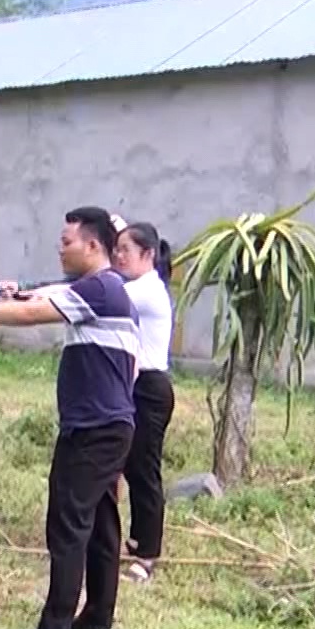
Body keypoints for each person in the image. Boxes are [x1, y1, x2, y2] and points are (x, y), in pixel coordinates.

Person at [0, 207, 138, 629]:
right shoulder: (104, 289)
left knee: (68, 525)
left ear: (93, 246)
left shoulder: (101, 288)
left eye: (67, 242)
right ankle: (96, 619)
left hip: (94, 428)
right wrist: (22, 292)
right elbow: (44, 298)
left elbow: (35, 315)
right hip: (109, 424)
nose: (61, 248)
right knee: (99, 523)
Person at [113, 221, 175, 582]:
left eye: (125, 250)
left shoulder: (147, 291)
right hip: (132, 385)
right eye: (115, 249)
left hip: (150, 389)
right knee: (122, 464)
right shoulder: (135, 286)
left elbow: (95, 295)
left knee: (143, 470)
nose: (118, 256)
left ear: (147, 255)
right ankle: (132, 542)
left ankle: (147, 555)